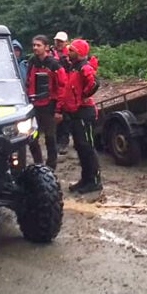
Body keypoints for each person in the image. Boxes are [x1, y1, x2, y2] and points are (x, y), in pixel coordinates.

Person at [55, 39, 102, 194]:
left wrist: (84, 96)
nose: (68, 52)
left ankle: (94, 181)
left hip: (84, 113)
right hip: (75, 112)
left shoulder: (84, 67)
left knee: (87, 148)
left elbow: (94, 83)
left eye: (72, 50)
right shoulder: (73, 66)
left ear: (79, 53)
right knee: (80, 147)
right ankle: (86, 179)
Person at [25, 35, 67, 171]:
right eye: (34, 45)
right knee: (32, 137)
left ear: (46, 47)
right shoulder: (32, 61)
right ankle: (38, 164)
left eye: (38, 45)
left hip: (49, 105)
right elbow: (28, 82)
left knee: (50, 137)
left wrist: (58, 109)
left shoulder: (54, 64)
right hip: (33, 104)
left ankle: (51, 166)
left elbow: (62, 86)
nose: (35, 48)